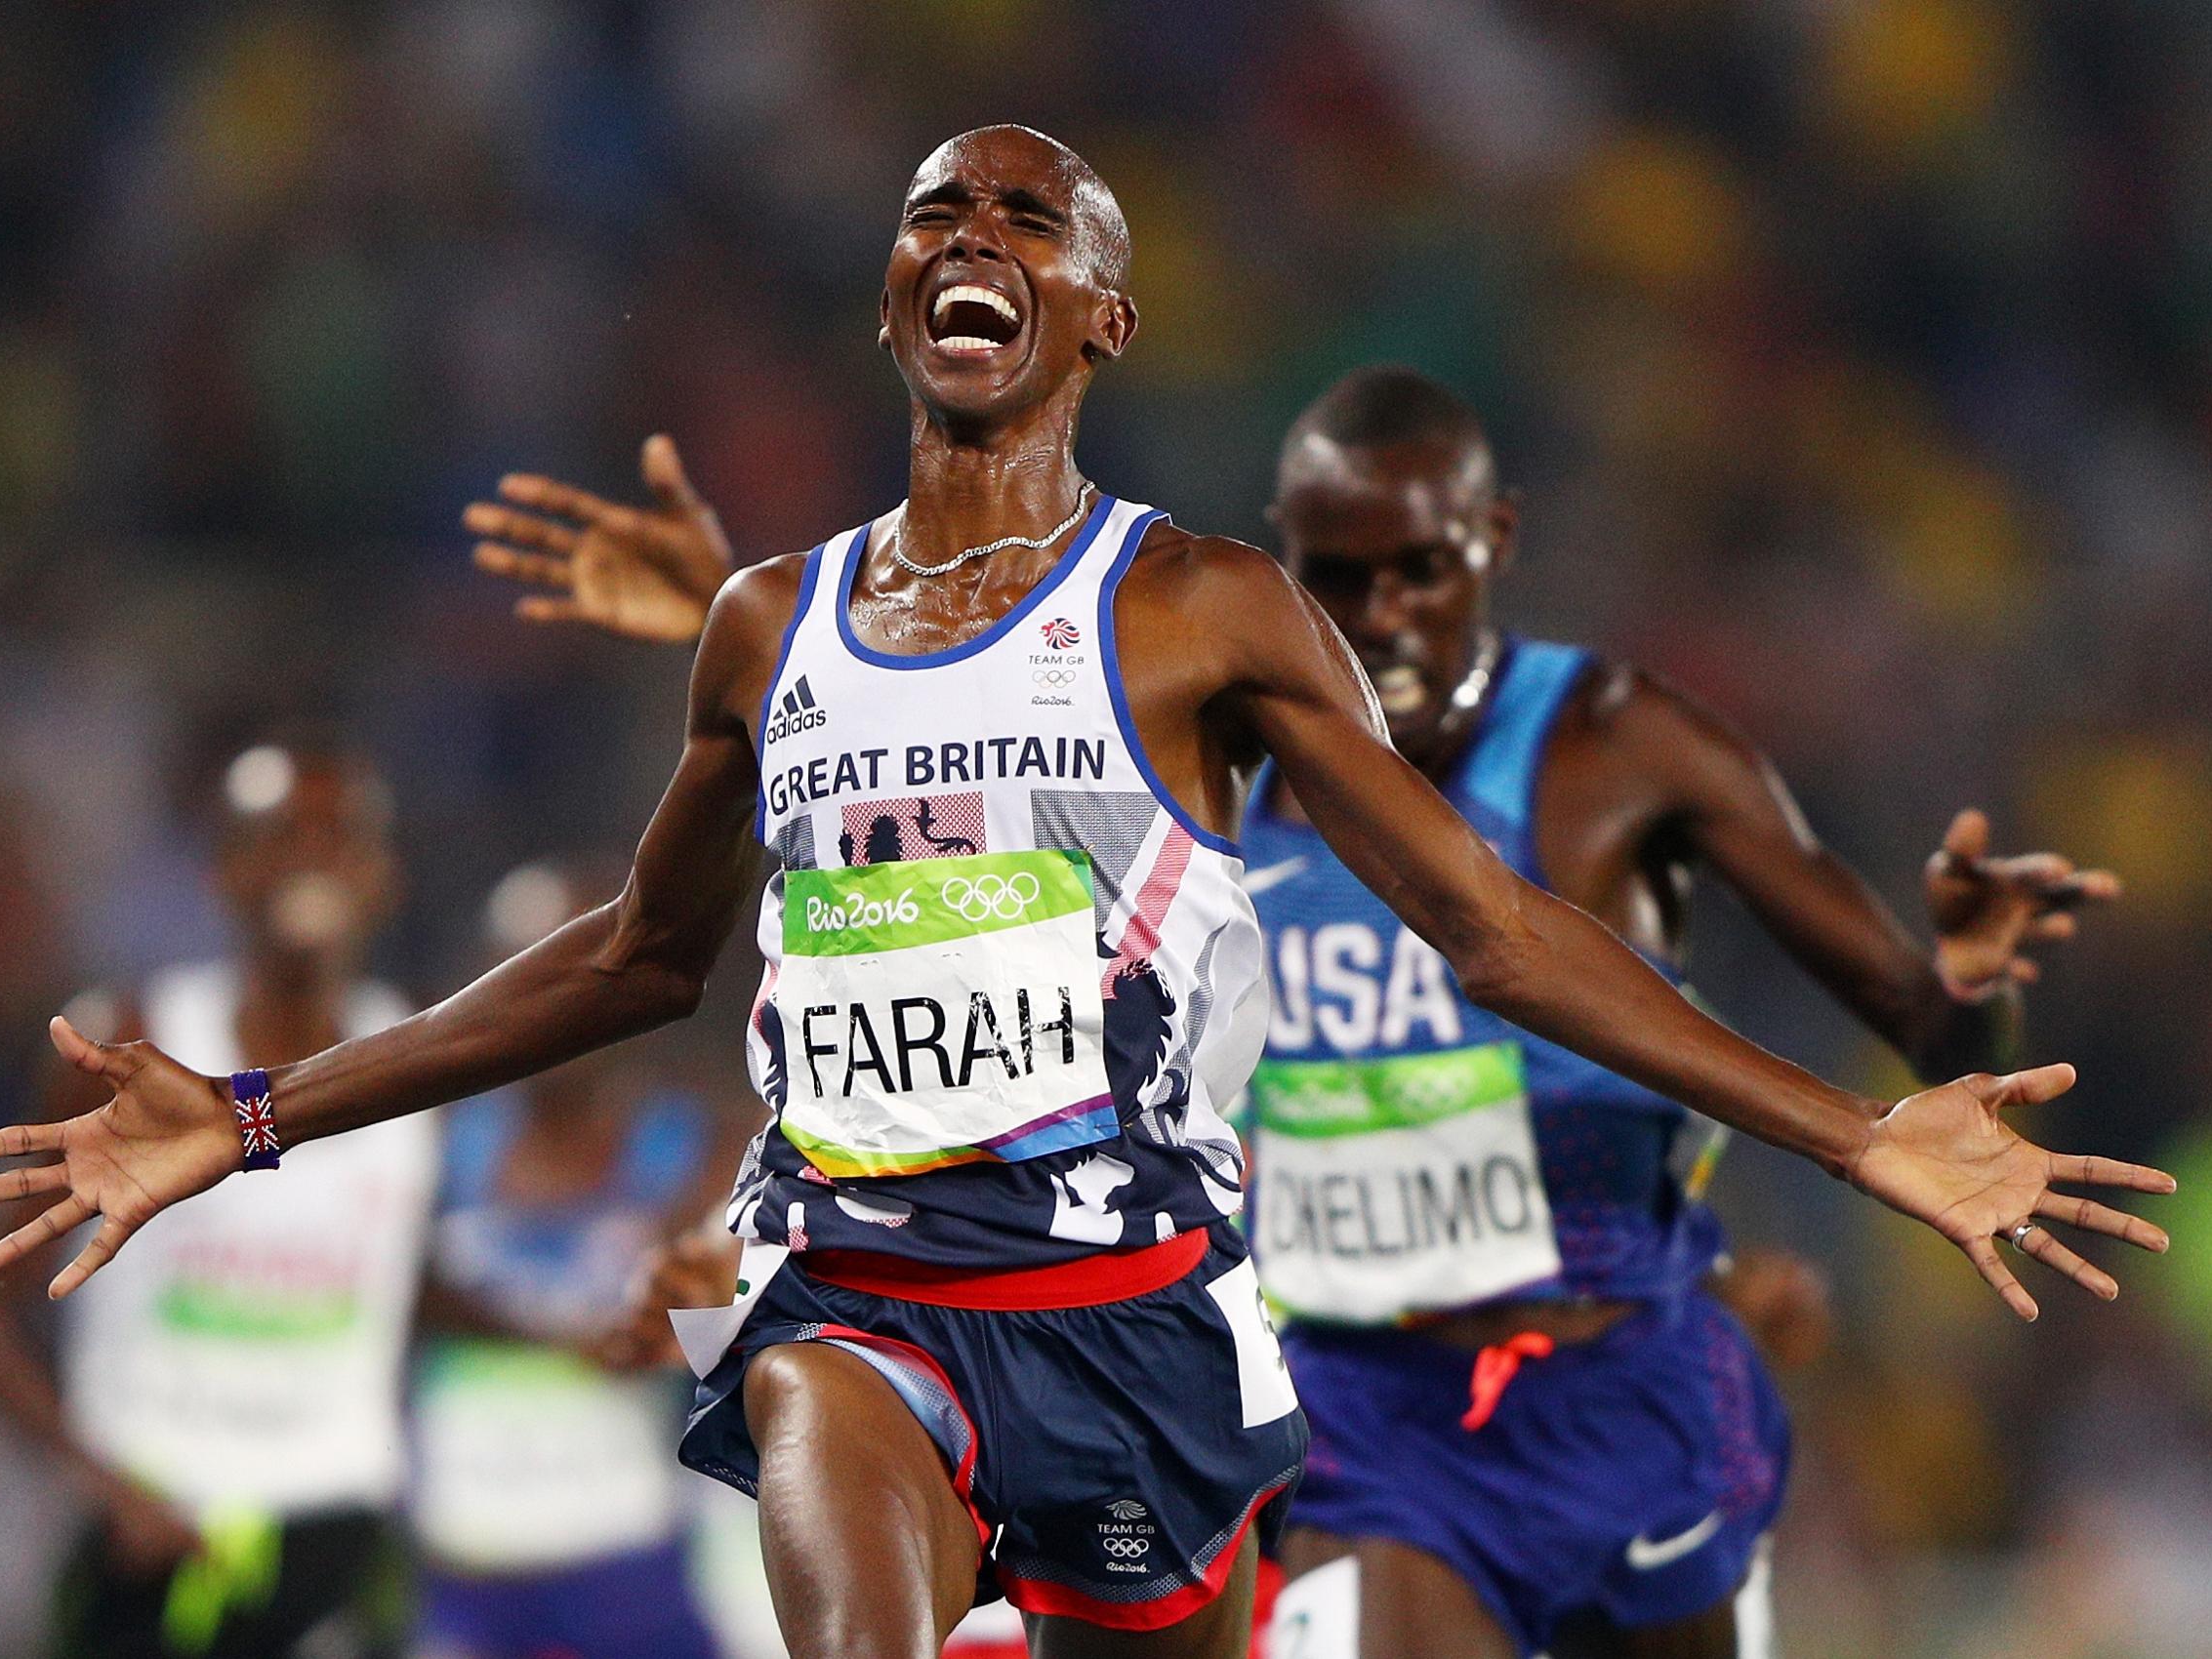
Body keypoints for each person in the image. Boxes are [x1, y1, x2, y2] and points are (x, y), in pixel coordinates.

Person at [0, 127, 2172, 1659]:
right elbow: (636, 954)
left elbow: (1489, 928)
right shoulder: (765, 620)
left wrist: (1859, 1125)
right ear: (896, 284)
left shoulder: (1201, 610)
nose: (972, 224)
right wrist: (253, 1109)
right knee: (833, 1461)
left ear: (1099, 311)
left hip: (1143, 1317)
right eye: (937, 203)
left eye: (1030, 207)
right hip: (863, 1280)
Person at [462, 365, 2126, 1659]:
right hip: (1341, 1407)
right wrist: (743, 623)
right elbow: (966, 773)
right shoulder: (1226, 756)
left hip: (1621, 1382)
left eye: (1419, 571)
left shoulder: (1622, 750)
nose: (1384, 617)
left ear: (1496, 541)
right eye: (1342, 578)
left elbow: (1928, 1054)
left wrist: (1957, 998)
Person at [0, 738, 436, 1659]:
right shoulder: (129, 1045)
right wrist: (106, 1488)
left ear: (384, 875)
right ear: (224, 873)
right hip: (147, 1539)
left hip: (335, 1535)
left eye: (339, 837)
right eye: (280, 835)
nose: (311, 861)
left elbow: (428, 1281)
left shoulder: (417, 1061)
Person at [406, 864, 737, 1659]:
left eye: (583, 979)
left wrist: (674, 1313)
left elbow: (737, 1306)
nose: (557, 1013)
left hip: (631, 1557)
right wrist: (555, 1337)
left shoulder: (700, 1146)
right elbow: (387, 1289)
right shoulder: (430, 1148)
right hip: (469, 1559)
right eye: (526, 978)